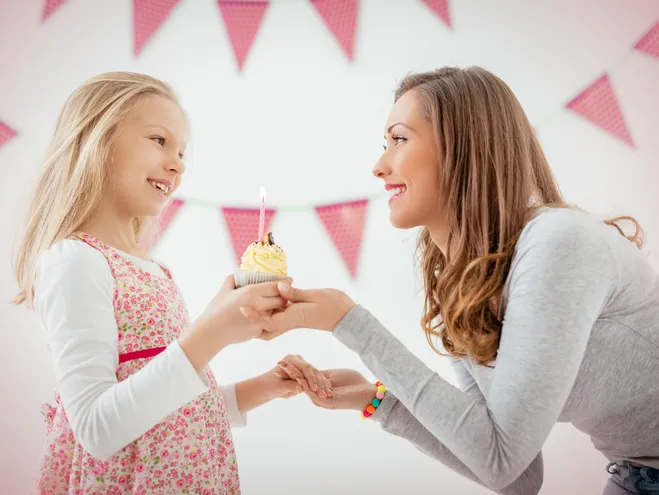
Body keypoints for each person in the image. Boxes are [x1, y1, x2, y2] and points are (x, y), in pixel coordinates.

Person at [242, 67, 659, 495]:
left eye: (399, 139)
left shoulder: (559, 244)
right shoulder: (470, 285)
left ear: (464, 148)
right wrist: (377, 401)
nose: (379, 166)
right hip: (635, 474)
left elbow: (501, 462)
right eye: (384, 145)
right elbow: (517, 478)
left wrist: (351, 323)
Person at [12, 71, 328, 494]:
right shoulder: (75, 261)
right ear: (98, 139)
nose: (178, 163)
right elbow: (97, 428)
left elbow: (172, 407)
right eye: (159, 140)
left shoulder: (155, 271)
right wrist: (213, 332)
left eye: (181, 150)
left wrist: (263, 387)